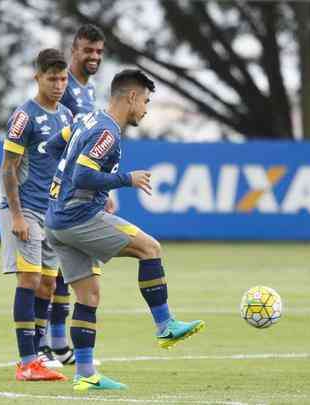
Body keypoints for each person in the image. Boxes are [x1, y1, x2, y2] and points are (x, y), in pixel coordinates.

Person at [45, 69, 205, 391]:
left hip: (56, 221)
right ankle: (165, 325)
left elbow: (51, 147)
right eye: (145, 101)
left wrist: (74, 189)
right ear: (131, 97)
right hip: (79, 219)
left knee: (89, 296)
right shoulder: (108, 132)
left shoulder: (86, 120)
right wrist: (125, 180)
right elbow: (82, 177)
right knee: (151, 248)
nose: (146, 109)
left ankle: (85, 374)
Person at [0, 48, 74, 381]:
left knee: (47, 285)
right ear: (38, 77)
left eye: (62, 78)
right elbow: (8, 168)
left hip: (53, 211)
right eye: (51, 78)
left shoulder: (68, 116)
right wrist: (16, 216)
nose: (58, 84)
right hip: (25, 209)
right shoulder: (24, 116)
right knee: (28, 280)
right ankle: (26, 361)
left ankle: (38, 357)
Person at [45, 24, 113, 366]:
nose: (94, 57)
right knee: (52, 270)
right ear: (74, 50)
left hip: (81, 189)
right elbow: (60, 143)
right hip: (63, 191)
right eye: (88, 50)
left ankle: (58, 345)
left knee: (63, 271)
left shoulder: (89, 90)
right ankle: (46, 343)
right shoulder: (64, 88)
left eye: (99, 51)